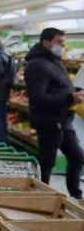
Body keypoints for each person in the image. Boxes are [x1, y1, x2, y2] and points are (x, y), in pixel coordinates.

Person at [24, 28, 84, 199]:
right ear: (46, 42)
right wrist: (70, 98)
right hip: (49, 120)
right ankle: (41, 197)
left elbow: (58, 86)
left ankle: (76, 196)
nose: (62, 46)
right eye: (59, 42)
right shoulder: (37, 65)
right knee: (47, 162)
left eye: (64, 42)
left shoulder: (54, 61)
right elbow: (38, 97)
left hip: (62, 119)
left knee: (77, 157)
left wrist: (76, 91)